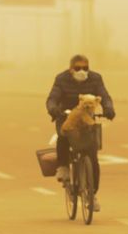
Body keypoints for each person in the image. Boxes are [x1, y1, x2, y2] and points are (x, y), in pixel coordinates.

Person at [46, 54, 115, 211]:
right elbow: (52, 98)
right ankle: (63, 167)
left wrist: (109, 109)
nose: (82, 71)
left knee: (92, 155)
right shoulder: (61, 79)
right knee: (64, 135)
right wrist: (53, 109)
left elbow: (104, 96)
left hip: (88, 120)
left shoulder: (96, 79)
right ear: (71, 69)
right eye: (78, 68)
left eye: (85, 68)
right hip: (65, 116)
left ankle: (92, 193)